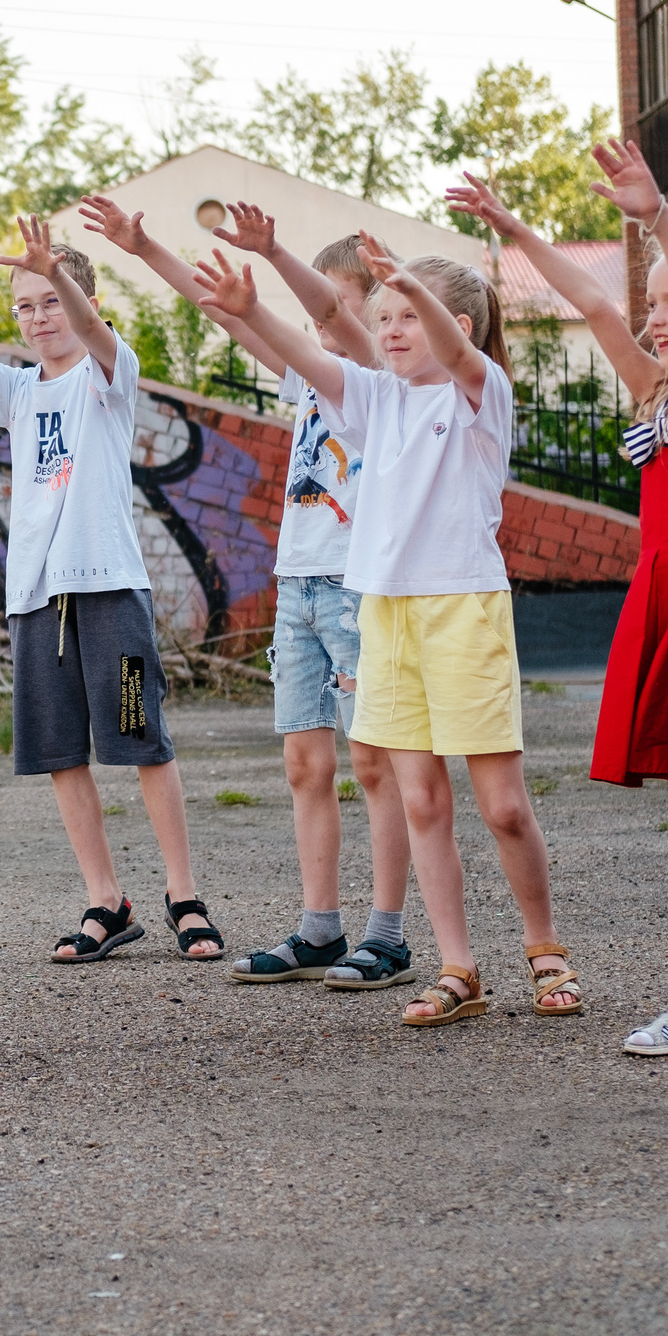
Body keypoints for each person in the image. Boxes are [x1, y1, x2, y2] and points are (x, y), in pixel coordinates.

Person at [449, 144, 668, 1058]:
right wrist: (512, 227)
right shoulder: (654, 396)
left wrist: (659, 220)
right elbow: (595, 304)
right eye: (655, 303)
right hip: (666, 621)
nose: (656, 318)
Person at [195, 234, 585, 1026]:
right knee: (422, 800)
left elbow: (451, 350)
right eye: (387, 317)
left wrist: (406, 280)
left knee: (503, 804)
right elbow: (314, 341)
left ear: (459, 325)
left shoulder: (480, 394)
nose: (395, 329)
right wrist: (259, 289)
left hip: (464, 610)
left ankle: (546, 951)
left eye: (410, 315)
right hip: (386, 612)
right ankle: (457, 968)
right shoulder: (374, 397)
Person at [74, 196, 413, 989]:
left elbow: (325, 326)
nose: (318, 321)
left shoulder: (379, 381)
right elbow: (221, 310)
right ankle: (320, 927)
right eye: (313, 308)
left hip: (360, 588)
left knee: (376, 761)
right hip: (296, 584)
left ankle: (388, 933)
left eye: (336, 307)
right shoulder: (309, 372)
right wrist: (143, 243)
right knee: (305, 761)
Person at [0, 215, 225, 965]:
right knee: (62, 752)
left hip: (110, 594)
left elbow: (92, 325)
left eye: (50, 299)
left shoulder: (107, 373)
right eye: (25, 304)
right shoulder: (21, 391)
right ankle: (106, 899)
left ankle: (183, 895)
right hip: (36, 599)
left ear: (81, 301)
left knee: (143, 742)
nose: (38, 316)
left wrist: (56, 269)